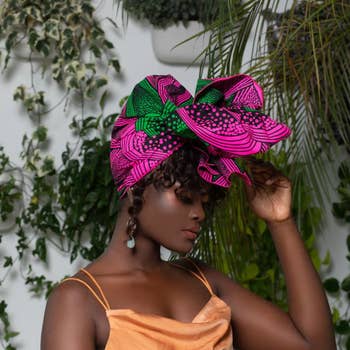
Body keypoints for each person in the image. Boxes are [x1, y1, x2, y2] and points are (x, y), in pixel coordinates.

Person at [41, 75, 336, 350]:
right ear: (136, 187)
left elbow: (314, 345)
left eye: (205, 201)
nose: (200, 214)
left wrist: (280, 221)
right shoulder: (78, 301)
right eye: (185, 197)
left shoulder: (203, 280)